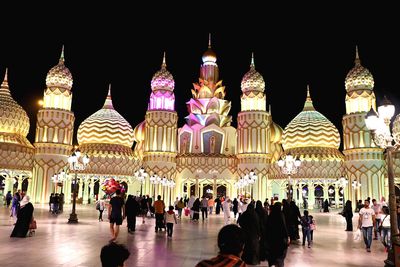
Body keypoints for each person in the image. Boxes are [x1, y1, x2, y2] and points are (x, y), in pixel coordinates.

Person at [266, 202, 290, 267]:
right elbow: (284, 227)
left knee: (272, 256)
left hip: (271, 239)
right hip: (280, 240)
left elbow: (267, 227)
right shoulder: (281, 215)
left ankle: (272, 264)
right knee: (280, 257)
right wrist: (287, 236)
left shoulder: (271, 215)